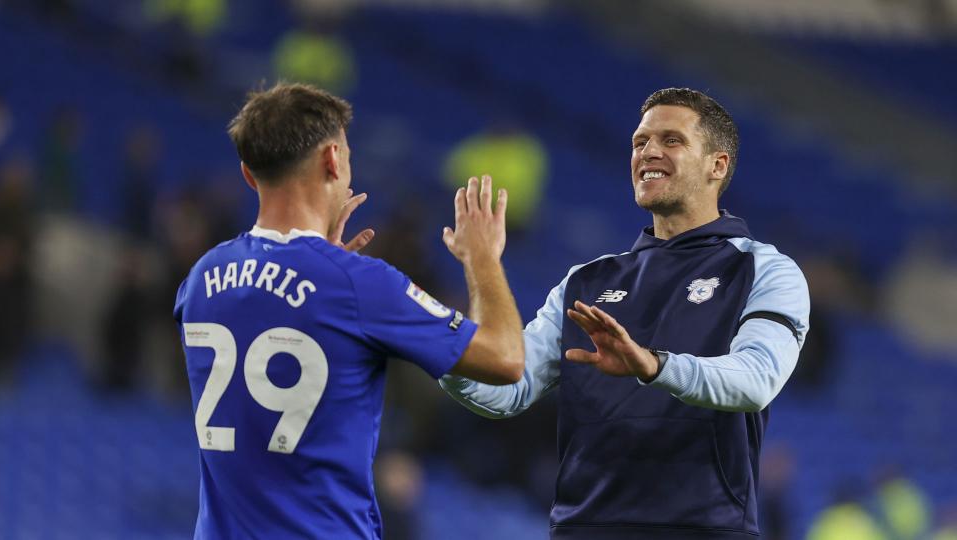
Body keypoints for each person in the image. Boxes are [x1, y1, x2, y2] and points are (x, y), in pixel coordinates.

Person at [441, 88, 811, 539]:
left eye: (671, 140)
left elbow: (755, 380)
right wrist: (430, 336)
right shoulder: (585, 282)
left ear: (718, 165)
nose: (649, 151)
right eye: (640, 142)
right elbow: (506, 392)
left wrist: (656, 366)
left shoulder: (764, 270)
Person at [173, 82, 524, 539]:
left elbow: (274, 304)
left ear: (247, 174)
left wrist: (323, 266)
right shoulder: (358, 284)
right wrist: (482, 259)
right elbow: (505, 358)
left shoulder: (201, 278)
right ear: (332, 159)